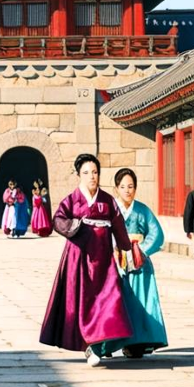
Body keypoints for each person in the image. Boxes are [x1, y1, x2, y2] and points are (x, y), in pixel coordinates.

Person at [39, 153, 134, 366]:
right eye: (86, 172)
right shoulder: (72, 200)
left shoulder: (108, 200)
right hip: (79, 257)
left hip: (103, 259)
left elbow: (117, 224)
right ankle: (87, 346)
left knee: (109, 299)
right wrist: (75, 226)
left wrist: (125, 247)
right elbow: (58, 219)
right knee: (81, 302)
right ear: (79, 175)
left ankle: (100, 342)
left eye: (95, 172)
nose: (92, 176)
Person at [95, 168, 168, 359]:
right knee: (112, 304)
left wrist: (139, 250)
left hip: (138, 264)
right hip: (114, 260)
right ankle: (107, 342)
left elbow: (157, 234)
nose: (127, 190)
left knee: (138, 305)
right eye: (123, 186)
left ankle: (136, 343)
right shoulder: (110, 209)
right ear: (116, 188)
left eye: (131, 186)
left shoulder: (142, 210)